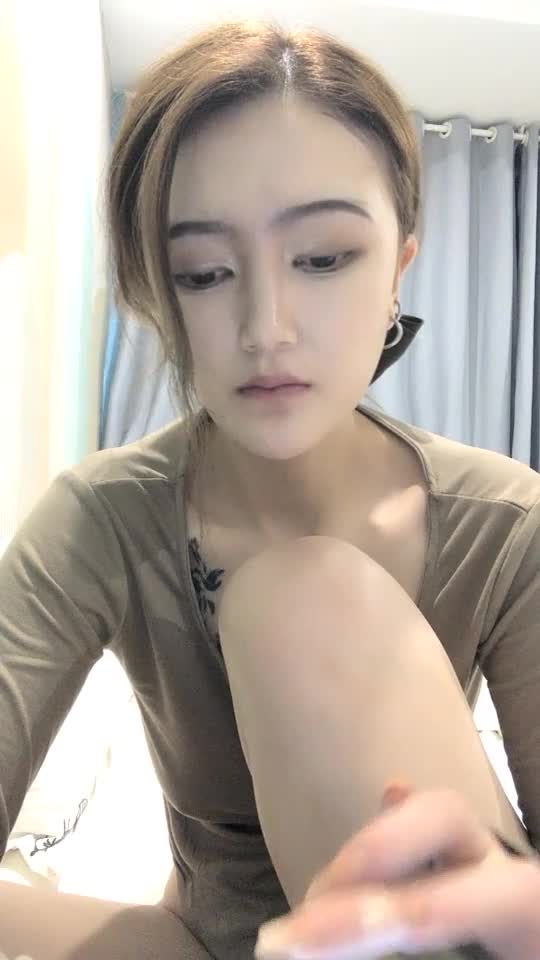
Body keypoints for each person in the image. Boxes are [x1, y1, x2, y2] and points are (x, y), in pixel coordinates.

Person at [0, 15, 538, 960]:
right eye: (203, 273)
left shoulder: (505, 524)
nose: (266, 327)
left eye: (323, 258)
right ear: (157, 296)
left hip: (433, 930)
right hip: (201, 942)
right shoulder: (102, 518)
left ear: (399, 269)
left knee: (306, 596)